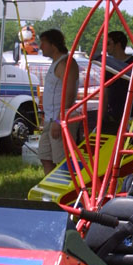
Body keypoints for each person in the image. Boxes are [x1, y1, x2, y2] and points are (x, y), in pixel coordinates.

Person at [37, 29, 79, 175]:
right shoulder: (56, 63)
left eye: (43, 42)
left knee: (62, 161)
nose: (40, 46)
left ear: (53, 45)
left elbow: (69, 94)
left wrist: (59, 119)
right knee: (45, 156)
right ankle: (50, 189)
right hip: (51, 119)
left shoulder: (66, 63)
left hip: (60, 119)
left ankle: (65, 193)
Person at [101, 30, 133, 134]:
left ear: (118, 44)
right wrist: (102, 115)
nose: (106, 47)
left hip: (131, 113)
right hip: (113, 114)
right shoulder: (108, 65)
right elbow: (105, 92)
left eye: (108, 43)